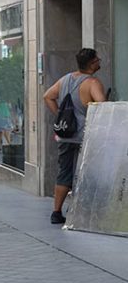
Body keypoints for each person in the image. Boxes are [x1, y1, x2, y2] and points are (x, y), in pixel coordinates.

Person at [43, 48, 105, 225]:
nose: (99, 61)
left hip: (65, 136)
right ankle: (77, 209)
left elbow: (47, 96)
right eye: (97, 59)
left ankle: (56, 212)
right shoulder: (93, 83)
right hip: (84, 137)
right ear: (92, 63)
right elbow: (102, 106)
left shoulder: (66, 79)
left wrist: (60, 115)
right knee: (84, 173)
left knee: (64, 173)